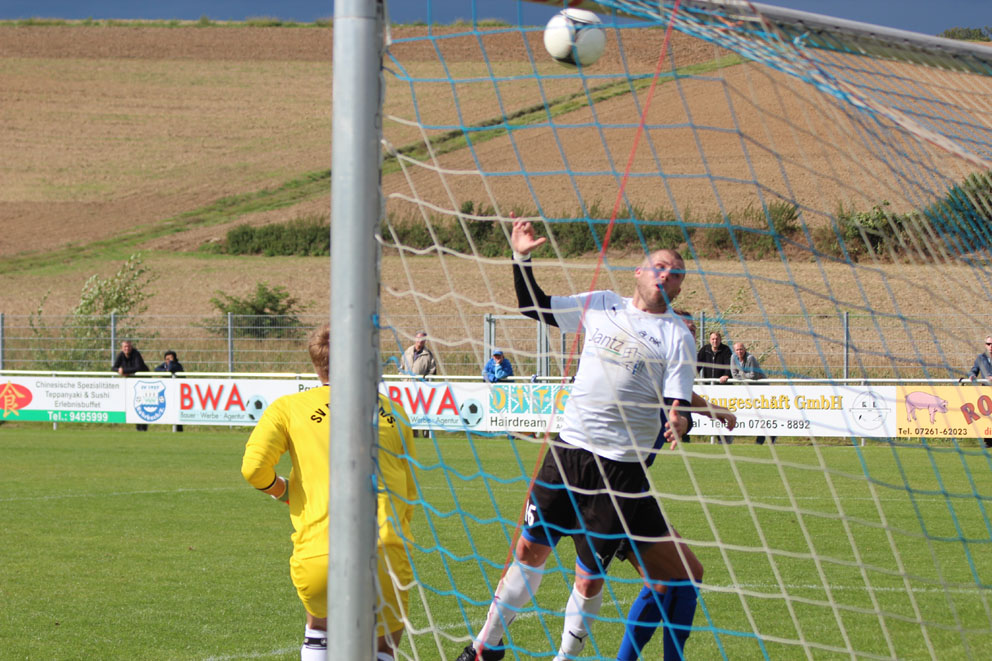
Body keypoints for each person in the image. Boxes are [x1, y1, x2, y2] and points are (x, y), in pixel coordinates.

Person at [457, 219, 702, 661]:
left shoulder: (678, 336)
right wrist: (522, 258)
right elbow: (535, 307)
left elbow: (678, 400)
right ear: (639, 272)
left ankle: (566, 658)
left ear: (680, 288)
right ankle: (484, 649)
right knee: (528, 552)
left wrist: (680, 421)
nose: (667, 275)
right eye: (660, 267)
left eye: (677, 273)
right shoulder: (602, 304)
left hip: (619, 472)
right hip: (567, 452)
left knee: (589, 578)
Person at [241, 324, 417, 661]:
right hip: (386, 546)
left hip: (321, 551)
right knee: (384, 648)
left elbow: (252, 469)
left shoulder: (288, 408)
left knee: (319, 629)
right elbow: (409, 489)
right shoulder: (394, 411)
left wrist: (282, 491)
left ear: (315, 363)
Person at [731, 342, 775, 445]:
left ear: (745, 349)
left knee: (763, 415)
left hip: (761, 389)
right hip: (750, 389)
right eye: (737, 350)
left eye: (741, 349)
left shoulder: (750, 358)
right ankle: (761, 439)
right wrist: (745, 375)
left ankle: (768, 437)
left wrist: (741, 374)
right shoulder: (733, 358)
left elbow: (754, 376)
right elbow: (734, 375)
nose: (739, 352)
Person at [401, 331, 438, 437]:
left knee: (422, 412)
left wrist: (425, 381)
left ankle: (426, 434)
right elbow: (401, 367)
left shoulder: (428, 354)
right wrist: (403, 380)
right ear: (414, 339)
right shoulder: (407, 352)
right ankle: (412, 434)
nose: (419, 341)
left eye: (422, 339)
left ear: (425, 341)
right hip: (407, 388)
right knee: (409, 411)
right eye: (418, 339)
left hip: (421, 389)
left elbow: (432, 370)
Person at [698, 331, 732, 443]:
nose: (715, 341)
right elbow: (697, 364)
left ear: (720, 339)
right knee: (710, 412)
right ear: (709, 340)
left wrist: (727, 374)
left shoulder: (726, 350)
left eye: (717, 339)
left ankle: (724, 437)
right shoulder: (705, 350)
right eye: (713, 339)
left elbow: (729, 364)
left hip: (723, 387)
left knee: (722, 411)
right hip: (709, 387)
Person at [112, 340, 150, 431]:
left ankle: (143, 427)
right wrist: (119, 370)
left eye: (128, 346)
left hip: (143, 383)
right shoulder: (121, 355)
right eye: (125, 347)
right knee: (134, 405)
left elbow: (138, 367)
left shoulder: (136, 354)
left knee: (142, 405)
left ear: (131, 347)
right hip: (132, 384)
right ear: (122, 348)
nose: (127, 348)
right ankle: (138, 427)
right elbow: (113, 368)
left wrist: (125, 371)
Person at [967, 335, 992, 448]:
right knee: (987, 416)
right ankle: (988, 441)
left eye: (991, 344)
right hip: (986, 391)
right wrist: (972, 375)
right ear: (985, 345)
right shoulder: (980, 358)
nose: (990, 346)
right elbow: (974, 370)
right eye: (988, 344)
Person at [155, 350, 185, 431]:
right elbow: (156, 369)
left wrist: (171, 363)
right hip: (169, 393)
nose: (168, 361)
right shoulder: (164, 365)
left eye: (171, 359)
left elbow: (171, 369)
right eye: (167, 359)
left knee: (177, 413)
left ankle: (178, 430)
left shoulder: (177, 365)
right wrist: (165, 371)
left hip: (178, 393)